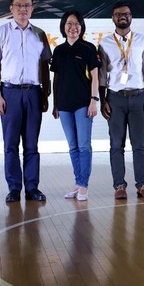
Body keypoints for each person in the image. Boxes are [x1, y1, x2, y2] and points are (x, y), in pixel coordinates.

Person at [0, 0, 52, 203]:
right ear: (11, 8)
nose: (23, 9)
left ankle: (32, 187)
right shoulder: (1, 32)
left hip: (33, 93)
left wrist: (45, 95)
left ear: (32, 8)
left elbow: (45, 66)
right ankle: (14, 188)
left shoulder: (40, 34)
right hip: (10, 93)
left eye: (27, 5)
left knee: (32, 145)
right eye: (18, 5)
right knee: (11, 144)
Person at [98, 2, 144, 200]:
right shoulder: (105, 43)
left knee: (139, 144)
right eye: (118, 14)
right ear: (112, 18)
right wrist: (103, 100)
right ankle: (119, 186)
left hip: (139, 97)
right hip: (115, 98)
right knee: (116, 144)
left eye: (126, 14)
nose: (122, 16)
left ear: (131, 17)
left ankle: (142, 185)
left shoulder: (142, 40)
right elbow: (102, 76)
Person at [51, 11, 102, 202]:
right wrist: (55, 104)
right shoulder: (58, 50)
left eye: (77, 24)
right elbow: (56, 79)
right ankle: (78, 181)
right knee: (72, 146)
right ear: (63, 27)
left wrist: (94, 100)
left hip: (83, 103)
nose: (73, 27)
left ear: (82, 27)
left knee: (84, 146)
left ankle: (83, 185)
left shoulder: (88, 48)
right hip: (64, 105)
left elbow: (95, 77)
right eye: (69, 24)